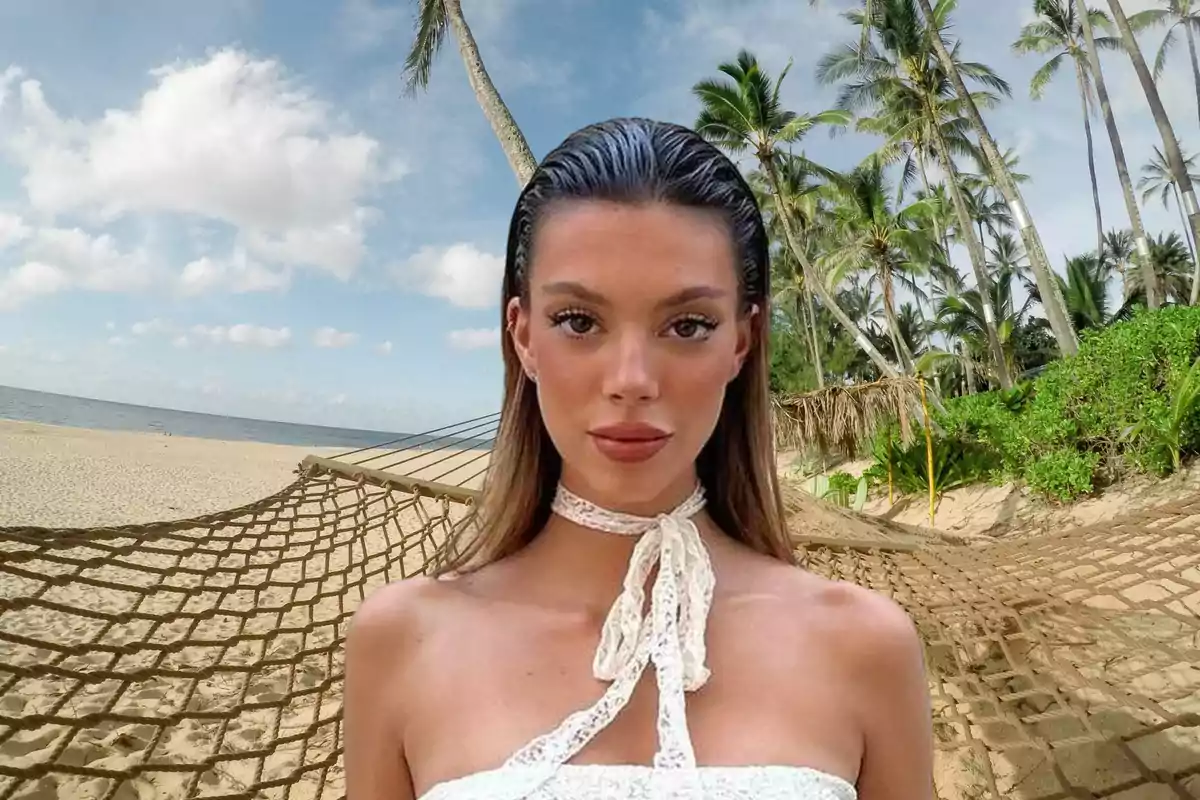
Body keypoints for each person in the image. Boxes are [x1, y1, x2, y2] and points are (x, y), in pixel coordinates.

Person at [343, 117, 933, 800]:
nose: (632, 378)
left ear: (742, 341)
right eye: (579, 321)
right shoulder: (404, 640)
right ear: (524, 335)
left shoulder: (864, 645)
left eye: (687, 326)